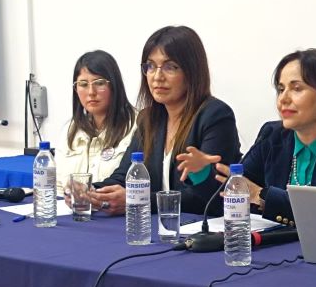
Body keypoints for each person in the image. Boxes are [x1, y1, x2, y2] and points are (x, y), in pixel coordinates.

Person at [176, 48, 316, 226]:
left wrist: (261, 195)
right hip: (276, 251)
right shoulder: (272, 135)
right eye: (280, 89)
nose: (283, 99)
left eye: (296, 89)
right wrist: (203, 175)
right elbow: (231, 201)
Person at [90, 26, 241, 216]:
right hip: (157, 227)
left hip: (199, 229)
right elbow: (124, 177)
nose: (157, 77)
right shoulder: (148, 119)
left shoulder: (216, 116)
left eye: (170, 67)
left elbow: (208, 197)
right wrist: (91, 192)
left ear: (192, 71)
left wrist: (139, 200)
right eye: (150, 66)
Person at [55, 50, 136, 194]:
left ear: (114, 85)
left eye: (99, 83)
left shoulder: (137, 125)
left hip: (116, 212)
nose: (91, 92)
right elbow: (58, 186)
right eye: (83, 84)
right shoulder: (70, 129)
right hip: (71, 212)